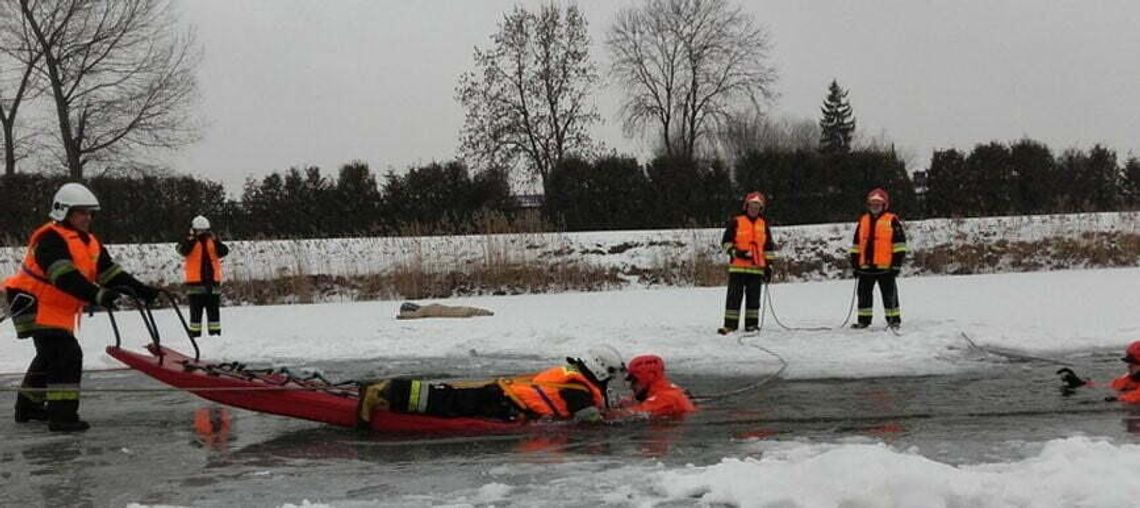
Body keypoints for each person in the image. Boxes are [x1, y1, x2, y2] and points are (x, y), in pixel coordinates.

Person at [5, 182, 160, 432]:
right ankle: (62, 417)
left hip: (55, 307)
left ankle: (28, 407)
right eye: (81, 213)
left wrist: (143, 291)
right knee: (66, 354)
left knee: (50, 355)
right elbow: (63, 276)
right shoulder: (50, 239)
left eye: (90, 213)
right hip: (34, 303)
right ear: (63, 212)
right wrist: (98, 295)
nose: (87, 218)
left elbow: (110, 273)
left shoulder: (89, 242)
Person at [357, 346, 626, 426]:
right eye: (610, 375)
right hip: (503, 404)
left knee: (449, 397)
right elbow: (590, 424)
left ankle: (388, 392)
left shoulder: (570, 373)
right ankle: (385, 392)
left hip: (503, 395)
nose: (609, 381)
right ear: (601, 368)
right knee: (446, 403)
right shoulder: (578, 390)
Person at [718, 192, 777, 335]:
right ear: (746, 206)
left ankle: (752, 325)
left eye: (757, 206)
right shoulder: (736, 221)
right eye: (752, 206)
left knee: (754, 300)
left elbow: (768, 247)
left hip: (756, 269)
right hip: (738, 267)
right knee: (733, 298)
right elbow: (725, 242)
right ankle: (730, 325)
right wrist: (735, 252)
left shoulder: (763, 225)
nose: (754, 209)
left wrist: (768, 266)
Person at [848, 188, 908, 330]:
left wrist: (896, 264)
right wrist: (855, 264)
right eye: (872, 204)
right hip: (866, 267)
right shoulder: (863, 221)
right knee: (863, 294)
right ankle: (863, 320)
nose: (875, 207)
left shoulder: (892, 220)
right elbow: (856, 245)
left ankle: (893, 320)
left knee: (889, 294)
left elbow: (899, 245)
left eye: (878, 204)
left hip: (885, 267)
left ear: (884, 205)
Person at [177, 215, 229, 337]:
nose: (202, 233)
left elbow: (224, 251)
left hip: (212, 283)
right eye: (199, 231)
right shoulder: (187, 242)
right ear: (193, 230)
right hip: (195, 284)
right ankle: (195, 337)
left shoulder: (213, 241)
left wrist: (216, 241)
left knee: (214, 315)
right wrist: (191, 239)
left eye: (204, 231)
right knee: (195, 314)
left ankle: (215, 336)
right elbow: (183, 251)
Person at [607, 354, 695, 419]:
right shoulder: (666, 389)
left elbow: (631, 414)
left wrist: (601, 414)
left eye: (634, 381)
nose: (631, 386)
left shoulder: (666, 399)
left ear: (647, 378)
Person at [1057, 341, 1140, 403]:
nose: (1128, 366)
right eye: (1129, 362)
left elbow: (1136, 397)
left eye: (1133, 363)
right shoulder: (1129, 379)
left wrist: (1117, 400)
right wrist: (1081, 384)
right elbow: (1110, 386)